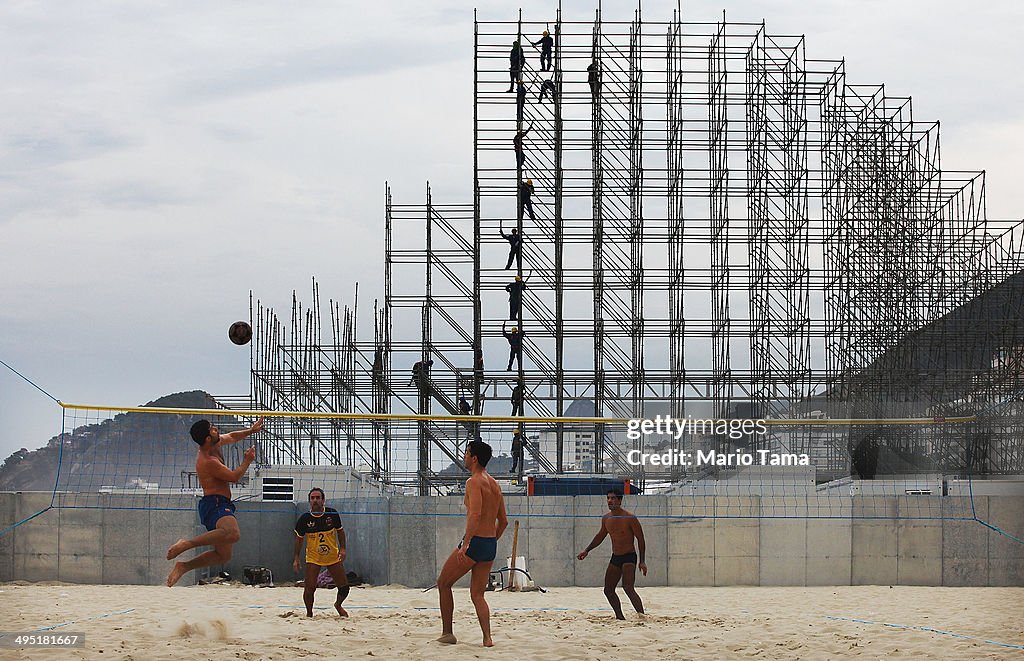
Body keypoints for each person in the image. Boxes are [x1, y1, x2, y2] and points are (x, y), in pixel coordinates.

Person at [165, 417, 264, 587]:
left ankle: (183, 566)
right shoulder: (207, 461)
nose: (216, 428)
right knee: (233, 534)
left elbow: (232, 436)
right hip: (214, 503)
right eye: (212, 428)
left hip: (220, 502)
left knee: (223, 556)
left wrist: (250, 431)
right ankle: (186, 544)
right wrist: (247, 460)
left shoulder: (214, 444)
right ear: (207, 438)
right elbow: (234, 477)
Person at [436, 440, 509, 647]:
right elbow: (503, 522)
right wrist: (491, 541)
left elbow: (475, 514)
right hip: (488, 544)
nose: (464, 456)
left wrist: (466, 543)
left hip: (475, 542)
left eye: (466, 453)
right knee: (478, 595)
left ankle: (448, 633)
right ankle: (487, 638)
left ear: (474, 457)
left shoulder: (474, 481)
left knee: (443, 583)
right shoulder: (495, 484)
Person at [576, 489, 647, 620]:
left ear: (620, 501)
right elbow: (600, 536)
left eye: (613, 498)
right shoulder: (606, 518)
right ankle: (620, 617)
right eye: (608, 498)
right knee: (608, 590)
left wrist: (642, 561)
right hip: (616, 557)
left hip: (629, 556)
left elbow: (641, 539)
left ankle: (642, 616)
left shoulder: (630, 518)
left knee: (628, 587)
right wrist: (586, 550)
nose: (610, 501)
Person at [293, 488, 350, 617]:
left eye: (318, 498)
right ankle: (309, 613)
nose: (315, 500)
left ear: (323, 500)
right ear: (309, 501)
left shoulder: (332, 514)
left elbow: (340, 532)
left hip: (332, 555)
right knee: (309, 588)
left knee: (344, 587)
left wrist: (343, 549)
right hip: (314, 557)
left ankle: (338, 605)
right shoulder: (304, 519)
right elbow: (299, 540)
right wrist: (296, 558)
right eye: (312, 498)